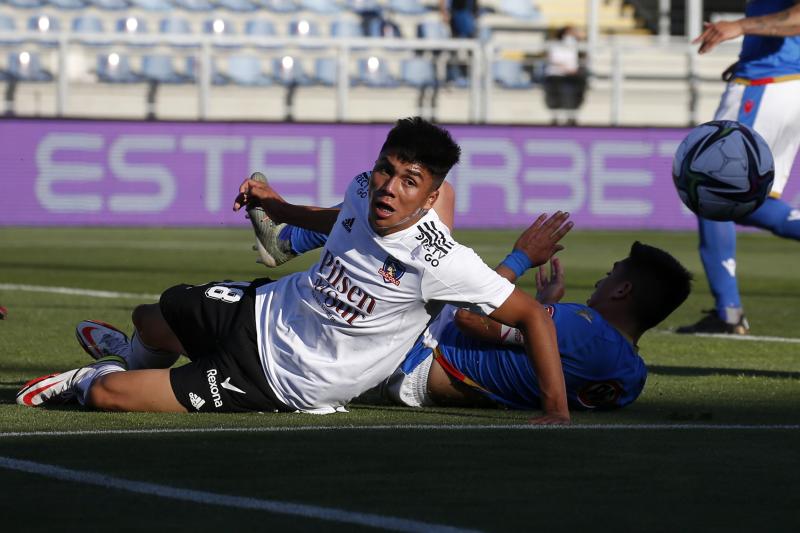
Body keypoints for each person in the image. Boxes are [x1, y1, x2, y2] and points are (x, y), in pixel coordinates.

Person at [17, 117, 571, 424]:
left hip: (282, 378)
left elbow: (533, 318)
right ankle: (131, 354)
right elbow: (338, 216)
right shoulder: (363, 189)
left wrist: (557, 413)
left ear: (430, 199)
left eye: (410, 180)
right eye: (387, 169)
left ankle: (94, 378)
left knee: (111, 398)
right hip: (267, 309)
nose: (388, 186)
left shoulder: (440, 260)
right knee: (156, 313)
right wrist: (278, 211)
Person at [244, 200, 691, 412]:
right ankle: (285, 243)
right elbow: (534, 352)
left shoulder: (583, 327)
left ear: (623, 292)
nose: (602, 277)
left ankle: (286, 240)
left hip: (412, 351)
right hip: (417, 376)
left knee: (422, 208)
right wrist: (542, 310)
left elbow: (470, 317)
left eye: (612, 273)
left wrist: (520, 260)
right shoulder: (630, 376)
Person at [678, 1, 800, 335]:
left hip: (767, 85)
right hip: (774, 80)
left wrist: (741, 27)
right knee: (730, 196)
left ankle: (728, 312)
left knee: (711, 189)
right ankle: (727, 310)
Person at [543, 25, 587, 126]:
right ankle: (556, 117)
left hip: (572, 76)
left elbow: (583, 58)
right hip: (556, 75)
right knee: (557, 96)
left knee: (574, 95)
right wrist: (567, 69)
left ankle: (571, 117)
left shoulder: (578, 46)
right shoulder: (555, 45)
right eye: (571, 32)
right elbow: (554, 60)